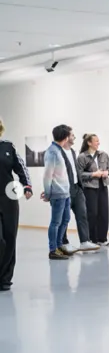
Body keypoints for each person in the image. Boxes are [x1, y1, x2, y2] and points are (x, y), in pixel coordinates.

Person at [0, 117, 33, 291]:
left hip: (8, 197)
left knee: (10, 236)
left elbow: (21, 167)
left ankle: (5, 278)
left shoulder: (8, 146)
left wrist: (27, 185)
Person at [56, 129, 100, 254]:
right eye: (72, 135)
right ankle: (63, 243)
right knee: (64, 218)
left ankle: (84, 241)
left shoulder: (72, 152)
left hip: (77, 188)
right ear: (66, 137)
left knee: (82, 215)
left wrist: (80, 186)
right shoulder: (58, 152)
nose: (74, 137)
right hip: (65, 189)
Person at [43, 125, 78, 260]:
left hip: (65, 193)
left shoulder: (58, 151)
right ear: (65, 137)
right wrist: (48, 193)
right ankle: (53, 249)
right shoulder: (52, 152)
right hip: (58, 194)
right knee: (55, 222)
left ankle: (59, 246)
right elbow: (47, 175)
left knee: (66, 219)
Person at [77, 133, 109, 246]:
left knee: (104, 212)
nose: (98, 143)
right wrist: (93, 174)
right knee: (92, 213)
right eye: (96, 141)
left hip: (103, 186)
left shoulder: (103, 155)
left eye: (98, 141)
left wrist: (107, 172)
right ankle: (92, 239)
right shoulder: (82, 157)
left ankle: (102, 239)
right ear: (89, 143)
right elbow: (79, 174)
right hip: (89, 188)